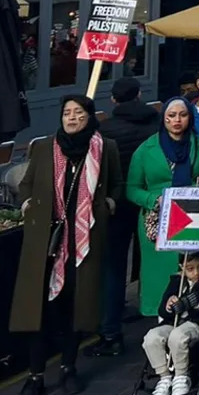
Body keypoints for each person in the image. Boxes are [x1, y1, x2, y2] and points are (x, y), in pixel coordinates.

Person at [12, 95, 123, 395]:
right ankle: (35, 375)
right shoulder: (46, 147)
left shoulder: (104, 148)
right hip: (45, 241)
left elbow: (116, 184)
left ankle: (68, 368)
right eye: (67, 113)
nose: (71, 118)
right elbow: (26, 184)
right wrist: (27, 205)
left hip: (83, 242)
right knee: (41, 309)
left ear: (90, 117)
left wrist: (109, 203)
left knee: (75, 307)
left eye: (78, 113)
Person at [89, 77, 161, 356]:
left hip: (117, 205)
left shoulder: (106, 129)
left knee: (114, 266)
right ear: (140, 95)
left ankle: (111, 329)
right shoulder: (156, 122)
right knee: (154, 259)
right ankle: (157, 313)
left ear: (114, 101)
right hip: (149, 201)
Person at [126, 98, 199, 317]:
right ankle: (157, 315)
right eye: (171, 116)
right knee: (159, 273)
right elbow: (131, 189)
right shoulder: (146, 149)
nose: (177, 120)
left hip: (191, 216)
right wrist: (153, 200)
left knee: (190, 267)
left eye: (182, 115)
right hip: (157, 220)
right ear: (163, 118)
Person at [142, 252, 199, 395]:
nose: (197, 273)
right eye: (190, 269)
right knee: (152, 337)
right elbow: (162, 310)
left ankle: (181, 375)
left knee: (177, 336)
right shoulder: (177, 280)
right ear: (182, 267)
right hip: (175, 321)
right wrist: (169, 304)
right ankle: (164, 376)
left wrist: (197, 304)